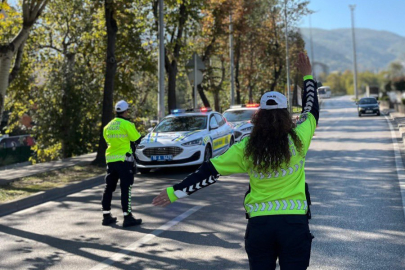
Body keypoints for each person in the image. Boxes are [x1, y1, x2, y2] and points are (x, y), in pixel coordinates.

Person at [153, 52, 319, 270]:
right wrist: (307, 77)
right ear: (286, 114)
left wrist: (176, 192)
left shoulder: (246, 148)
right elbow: (311, 109)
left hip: (260, 227)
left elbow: (208, 172)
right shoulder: (298, 139)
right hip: (294, 225)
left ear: (259, 116)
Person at [101, 100, 143, 227]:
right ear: (125, 111)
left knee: (109, 188)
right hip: (124, 161)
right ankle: (127, 217)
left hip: (111, 160)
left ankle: (106, 216)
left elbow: (108, 141)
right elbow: (137, 139)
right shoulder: (127, 124)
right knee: (126, 188)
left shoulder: (107, 126)